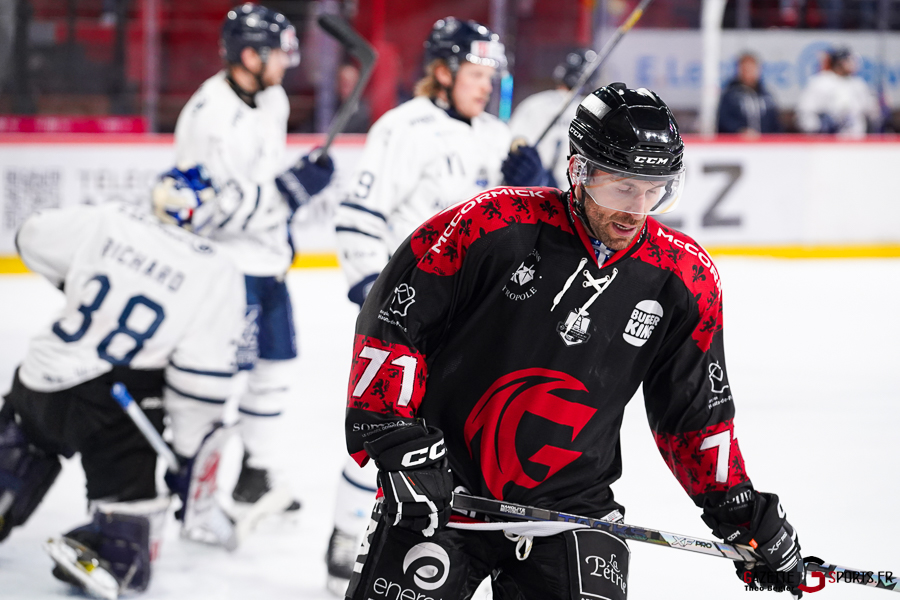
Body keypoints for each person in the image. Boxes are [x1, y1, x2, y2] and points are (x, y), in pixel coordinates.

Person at [341, 83, 806, 600]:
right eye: (620, 187)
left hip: (574, 509)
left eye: (656, 190)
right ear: (578, 170)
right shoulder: (491, 225)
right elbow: (393, 323)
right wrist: (399, 443)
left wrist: (743, 513)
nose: (636, 210)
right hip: (443, 490)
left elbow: (694, 417)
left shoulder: (685, 278)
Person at [326, 16, 548, 596]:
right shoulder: (403, 129)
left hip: (480, 322)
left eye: (491, 75)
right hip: (412, 317)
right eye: (475, 73)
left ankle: (452, 536)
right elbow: (358, 216)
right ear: (443, 71)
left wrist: (539, 179)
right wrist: (379, 302)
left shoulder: (497, 135)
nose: (484, 85)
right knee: (387, 424)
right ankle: (347, 533)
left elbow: (537, 225)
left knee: (461, 436)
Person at [0, 167, 247, 599]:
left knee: (22, 436)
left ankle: (8, 481)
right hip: (113, 405)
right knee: (130, 515)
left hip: (38, 378)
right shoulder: (217, 269)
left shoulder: (111, 219)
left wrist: (77, 280)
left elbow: (31, 235)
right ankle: (118, 547)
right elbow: (201, 378)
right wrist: (187, 456)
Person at [171, 3, 335, 512]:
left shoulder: (272, 100)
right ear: (249, 55)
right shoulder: (208, 117)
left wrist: (291, 181)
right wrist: (287, 193)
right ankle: (186, 482)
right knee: (210, 380)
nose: (286, 64)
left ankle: (254, 477)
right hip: (224, 271)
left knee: (276, 368)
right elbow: (202, 210)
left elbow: (256, 182)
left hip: (268, 265)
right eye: (278, 55)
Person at [509, 48, 598, 188]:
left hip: (533, 193)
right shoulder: (593, 113)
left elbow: (515, 147)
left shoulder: (534, 103)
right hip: (572, 198)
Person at [796, 46, 879, 138]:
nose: (853, 64)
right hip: (827, 140)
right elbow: (805, 112)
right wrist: (816, 130)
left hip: (855, 141)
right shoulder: (820, 82)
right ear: (839, 62)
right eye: (849, 60)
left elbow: (871, 113)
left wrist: (878, 106)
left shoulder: (858, 84)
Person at [717, 52, 782, 135]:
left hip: (765, 144)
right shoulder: (730, 95)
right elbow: (724, 120)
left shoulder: (766, 96)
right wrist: (739, 130)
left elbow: (775, 122)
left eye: (751, 69)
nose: (748, 73)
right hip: (738, 143)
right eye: (745, 69)